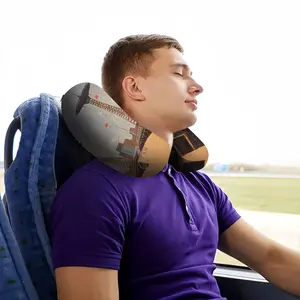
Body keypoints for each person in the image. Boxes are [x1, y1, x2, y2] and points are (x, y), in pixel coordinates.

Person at [50, 34, 300, 300]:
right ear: (135, 88)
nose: (197, 87)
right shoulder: (94, 192)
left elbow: (270, 258)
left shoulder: (200, 186)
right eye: (179, 74)